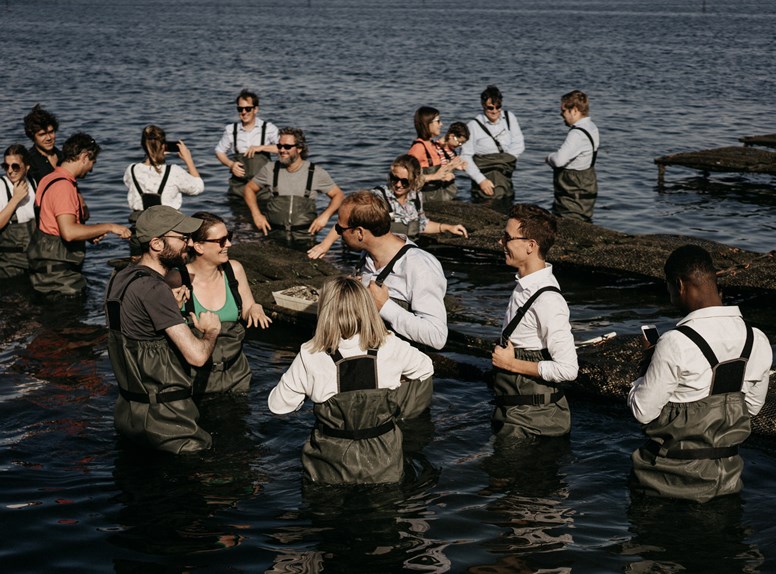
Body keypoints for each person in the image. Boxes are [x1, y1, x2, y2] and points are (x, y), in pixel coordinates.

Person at [628, 245, 772, 502]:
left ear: (680, 284)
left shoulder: (675, 342)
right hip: (727, 482)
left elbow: (643, 411)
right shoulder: (757, 339)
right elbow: (751, 408)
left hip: (667, 484)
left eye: (669, 289)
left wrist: (646, 364)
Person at [268, 275, 434, 484]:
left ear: (324, 310)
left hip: (329, 466)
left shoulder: (309, 353)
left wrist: (306, 391)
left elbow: (278, 406)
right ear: (367, 308)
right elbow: (425, 369)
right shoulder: (390, 344)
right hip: (383, 462)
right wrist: (397, 382)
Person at [105, 206, 221, 454]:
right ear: (156, 244)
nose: (188, 244)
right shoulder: (155, 289)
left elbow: (136, 331)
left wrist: (170, 310)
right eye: (181, 238)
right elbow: (197, 356)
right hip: (165, 421)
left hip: (128, 413)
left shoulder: (120, 278)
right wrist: (211, 331)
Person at [327, 191, 448, 418]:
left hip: (403, 393)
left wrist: (385, 307)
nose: (336, 232)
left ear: (360, 233)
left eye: (340, 229)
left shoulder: (419, 266)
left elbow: (437, 337)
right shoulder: (367, 260)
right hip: (369, 385)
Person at [490, 204, 578, 439]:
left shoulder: (548, 299)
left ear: (530, 246)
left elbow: (569, 369)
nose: (501, 242)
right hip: (514, 410)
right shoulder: (524, 286)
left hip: (533, 420)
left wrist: (510, 364)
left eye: (507, 237)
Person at [28, 133, 131, 297]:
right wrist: (110, 227)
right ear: (84, 157)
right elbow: (68, 233)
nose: (92, 168)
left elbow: (52, 225)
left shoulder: (48, 179)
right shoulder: (64, 187)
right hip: (59, 280)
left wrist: (89, 234)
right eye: (92, 162)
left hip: (44, 273)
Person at [180, 211, 272, 396]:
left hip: (236, 375)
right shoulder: (178, 279)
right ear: (198, 246)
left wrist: (254, 308)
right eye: (221, 241)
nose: (228, 244)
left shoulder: (234, 270)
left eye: (228, 237)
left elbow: (246, 308)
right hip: (195, 379)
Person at [307, 154, 468, 258]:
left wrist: (447, 228)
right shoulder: (378, 197)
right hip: (376, 257)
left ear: (414, 180)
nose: (398, 185)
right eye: (394, 178)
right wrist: (325, 245)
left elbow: (421, 225)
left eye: (404, 181)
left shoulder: (416, 196)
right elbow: (347, 222)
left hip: (405, 254)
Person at [243, 127, 344, 238]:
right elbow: (249, 189)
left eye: (287, 146)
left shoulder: (315, 172)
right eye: (279, 146)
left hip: (305, 237)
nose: (281, 150)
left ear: (299, 148)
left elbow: (338, 195)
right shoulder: (270, 169)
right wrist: (256, 215)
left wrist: (325, 216)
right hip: (274, 235)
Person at [124, 125, 204, 222]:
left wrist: (155, 154)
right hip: (168, 225)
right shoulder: (173, 171)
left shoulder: (131, 169)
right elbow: (198, 188)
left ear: (143, 145)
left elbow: (142, 176)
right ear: (163, 146)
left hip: (140, 225)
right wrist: (188, 159)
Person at [460, 85, 525, 203]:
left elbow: (519, 144)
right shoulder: (472, 126)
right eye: (490, 107)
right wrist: (481, 180)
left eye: (498, 107)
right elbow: (465, 156)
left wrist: (505, 161)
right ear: (483, 105)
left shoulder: (510, 118)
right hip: (484, 175)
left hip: (505, 175)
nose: (495, 111)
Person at [545, 90, 600, 222]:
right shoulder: (592, 127)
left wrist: (549, 158)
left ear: (574, 110)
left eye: (563, 111)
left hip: (571, 194)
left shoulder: (577, 134)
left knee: (567, 225)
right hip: (586, 190)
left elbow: (559, 160)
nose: (561, 115)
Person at [215, 89, 279, 198]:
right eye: (240, 109)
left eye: (248, 109)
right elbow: (219, 151)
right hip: (238, 189)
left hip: (263, 188)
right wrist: (231, 165)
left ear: (256, 109)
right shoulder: (231, 129)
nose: (244, 112)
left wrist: (262, 148)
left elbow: (283, 149)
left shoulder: (268, 128)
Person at [408, 107, 466, 201]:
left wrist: (452, 167)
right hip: (425, 200)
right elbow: (407, 178)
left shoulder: (433, 145)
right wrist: (433, 177)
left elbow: (439, 173)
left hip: (438, 196)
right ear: (427, 124)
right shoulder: (418, 148)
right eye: (438, 121)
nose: (441, 124)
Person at [0, 145, 37, 278]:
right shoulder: (1, 186)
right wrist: (15, 199)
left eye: (15, 166)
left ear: (27, 167)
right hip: (9, 267)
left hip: (35, 261)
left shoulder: (34, 183)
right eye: (6, 166)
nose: (10, 171)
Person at [23, 104, 62, 183]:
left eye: (51, 132)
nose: (48, 138)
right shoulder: (29, 162)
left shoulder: (63, 156)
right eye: (42, 134)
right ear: (33, 136)